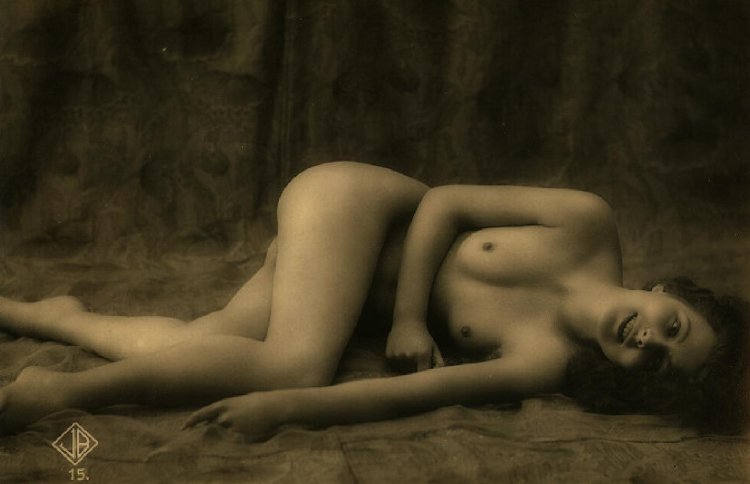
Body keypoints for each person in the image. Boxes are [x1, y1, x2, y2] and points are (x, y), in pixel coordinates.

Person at [0, 162, 746, 437]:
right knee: (293, 364)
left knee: (201, 343)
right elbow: (446, 202)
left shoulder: (544, 359)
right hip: (357, 207)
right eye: (673, 328)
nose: (649, 340)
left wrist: (287, 413)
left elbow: (415, 393)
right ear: (666, 293)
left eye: (657, 362)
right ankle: (57, 394)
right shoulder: (587, 223)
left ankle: (53, 318)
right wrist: (411, 316)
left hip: (334, 290)